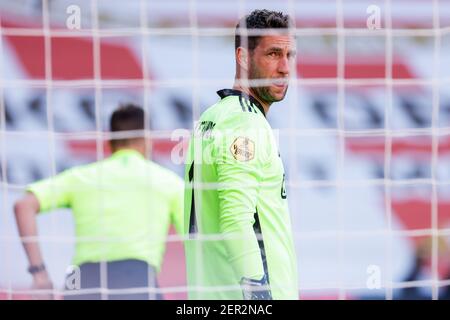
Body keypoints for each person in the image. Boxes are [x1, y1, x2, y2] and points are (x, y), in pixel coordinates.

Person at [184, 9, 298, 300]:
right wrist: (258, 293)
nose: (285, 67)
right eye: (273, 54)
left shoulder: (211, 117)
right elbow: (235, 219)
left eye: (289, 55)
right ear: (243, 57)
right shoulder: (245, 123)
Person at [14, 104, 184, 300]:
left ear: (110, 140)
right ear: (147, 139)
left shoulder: (83, 176)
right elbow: (197, 239)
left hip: (81, 280)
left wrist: (39, 274)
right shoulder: (166, 180)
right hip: (136, 278)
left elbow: (23, 205)